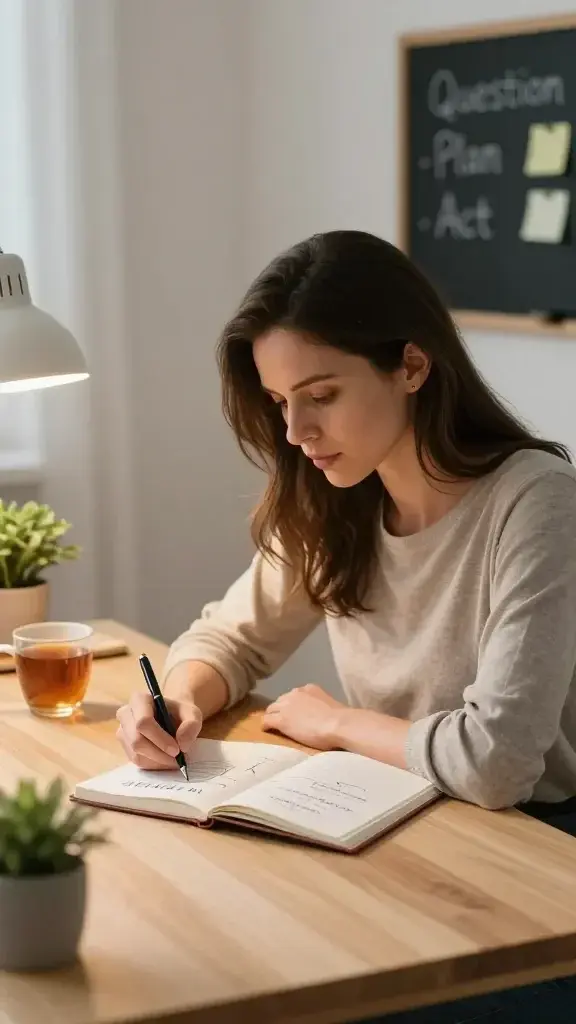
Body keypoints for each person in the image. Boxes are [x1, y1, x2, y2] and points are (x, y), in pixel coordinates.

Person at [116, 230, 576, 1021]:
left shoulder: (536, 502)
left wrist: (336, 722)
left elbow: (498, 763)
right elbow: (232, 637)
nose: (295, 432)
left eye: (320, 395)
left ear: (412, 366)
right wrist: (178, 701)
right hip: (398, 822)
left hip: (534, 857)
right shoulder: (334, 495)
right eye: (278, 402)